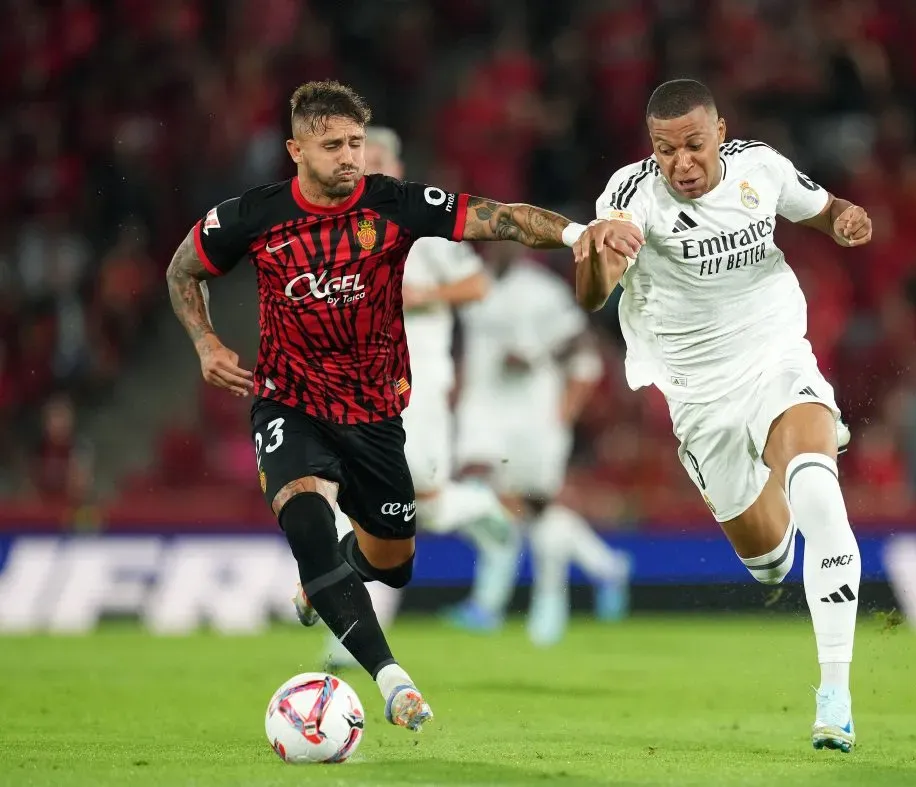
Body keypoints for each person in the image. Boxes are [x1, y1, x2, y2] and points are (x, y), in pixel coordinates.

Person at [166, 80, 643, 732]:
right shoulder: (252, 215)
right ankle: (394, 681)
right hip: (288, 401)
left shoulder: (394, 205)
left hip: (374, 414)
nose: (349, 156)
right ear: (295, 149)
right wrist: (205, 341)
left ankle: (326, 580)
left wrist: (581, 232)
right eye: (332, 144)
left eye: (356, 143)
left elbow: (498, 216)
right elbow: (182, 269)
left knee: (394, 560)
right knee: (306, 520)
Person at [574, 79, 868, 752]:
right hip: (700, 394)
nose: (681, 162)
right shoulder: (629, 196)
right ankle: (791, 455)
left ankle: (834, 695)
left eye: (694, 145)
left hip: (774, 355)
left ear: (720, 133)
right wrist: (600, 255)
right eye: (665, 149)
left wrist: (849, 220)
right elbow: (593, 297)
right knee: (768, 563)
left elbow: (828, 210)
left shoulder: (760, 167)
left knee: (820, 491)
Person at [319, 126, 518, 670]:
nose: (363, 166)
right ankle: (345, 630)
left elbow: (478, 284)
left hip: (420, 381)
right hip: (357, 383)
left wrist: (423, 294)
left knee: (425, 506)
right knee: (345, 498)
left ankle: (484, 510)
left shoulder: (419, 226)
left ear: (398, 166)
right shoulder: (335, 231)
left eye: (375, 156)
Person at [451, 242, 631, 647]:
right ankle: (603, 567)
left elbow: (580, 341)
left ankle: (538, 602)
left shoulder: (543, 290)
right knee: (474, 495)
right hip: (482, 415)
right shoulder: (472, 284)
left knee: (536, 510)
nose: (502, 245)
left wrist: (536, 357)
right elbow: (469, 348)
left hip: (533, 417)